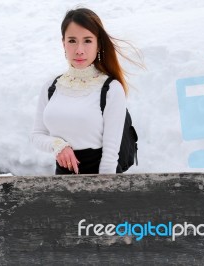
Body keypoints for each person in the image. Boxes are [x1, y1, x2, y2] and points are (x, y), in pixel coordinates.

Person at [31, 7, 140, 175]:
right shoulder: (51, 87)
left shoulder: (110, 89)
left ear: (98, 45)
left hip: (102, 180)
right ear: (63, 43)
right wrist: (59, 146)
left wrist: (103, 191)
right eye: (72, 40)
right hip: (61, 183)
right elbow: (37, 135)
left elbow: (111, 155)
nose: (79, 50)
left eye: (88, 41)